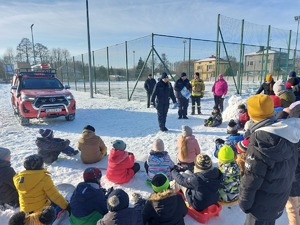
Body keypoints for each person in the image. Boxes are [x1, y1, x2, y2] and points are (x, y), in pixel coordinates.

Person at [239, 94, 300, 225]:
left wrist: (244, 202)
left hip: (260, 205)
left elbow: (252, 177)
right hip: (277, 200)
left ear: (252, 115)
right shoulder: (287, 131)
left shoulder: (260, 139)